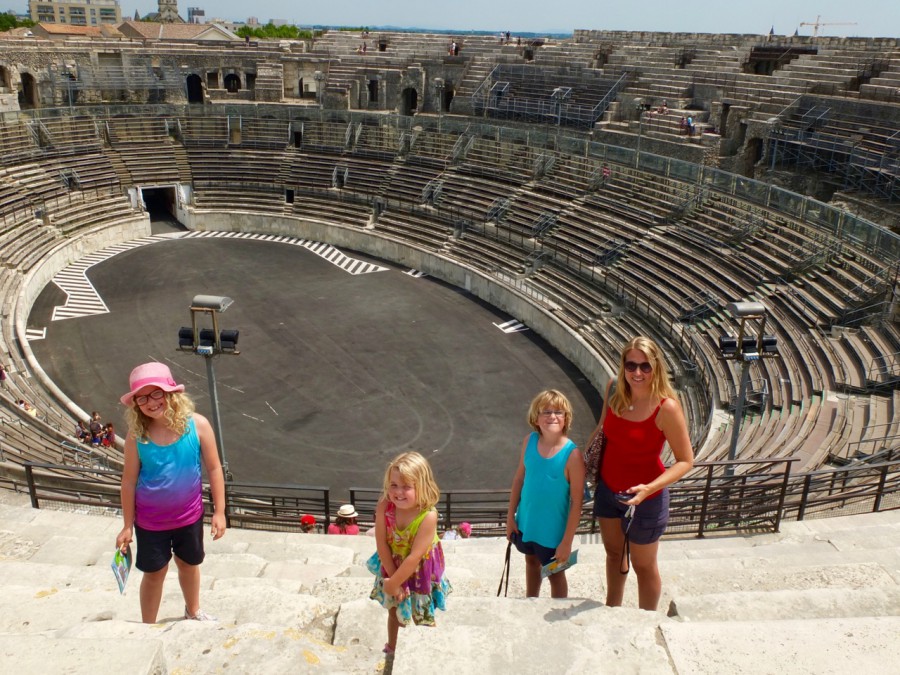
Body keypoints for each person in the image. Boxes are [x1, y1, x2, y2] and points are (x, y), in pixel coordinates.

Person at [586, 336, 694, 611]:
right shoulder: (613, 390)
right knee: (613, 554)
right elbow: (602, 429)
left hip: (646, 499)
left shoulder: (665, 407)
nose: (637, 373)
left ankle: (646, 619)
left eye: (645, 366)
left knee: (643, 566)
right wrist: (578, 462)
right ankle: (613, 608)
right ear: (623, 366)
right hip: (608, 491)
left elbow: (685, 461)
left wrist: (649, 488)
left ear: (656, 367)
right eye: (631, 365)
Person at [115, 362, 226, 624]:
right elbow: (129, 481)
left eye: (156, 393)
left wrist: (220, 512)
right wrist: (127, 526)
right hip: (151, 522)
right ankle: (147, 625)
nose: (151, 402)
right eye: (142, 397)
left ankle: (193, 610)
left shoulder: (198, 426)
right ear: (136, 404)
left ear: (171, 394)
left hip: (189, 517)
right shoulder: (136, 435)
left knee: (189, 564)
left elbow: (214, 468)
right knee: (154, 573)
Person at [367, 451, 451, 655]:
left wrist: (395, 583)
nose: (398, 492)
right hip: (392, 562)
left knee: (422, 611)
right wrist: (393, 579)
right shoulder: (384, 505)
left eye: (407, 486)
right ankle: (392, 647)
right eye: (394, 485)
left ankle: (429, 647)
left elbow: (415, 557)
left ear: (421, 486)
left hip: (421, 568)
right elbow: (381, 543)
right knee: (393, 609)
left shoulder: (428, 516)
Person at [506, 390, 585, 599]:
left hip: (553, 532)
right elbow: (519, 479)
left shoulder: (572, 455)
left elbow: (577, 502)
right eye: (546, 411)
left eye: (558, 412)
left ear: (566, 418)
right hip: (526, 522)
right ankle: (531, 600)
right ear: (536, 417)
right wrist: (510, 517)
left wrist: (567, 541)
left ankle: (558, 610)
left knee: (556, 575)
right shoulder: (529, 441)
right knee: (530, 561)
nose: (552, 416)